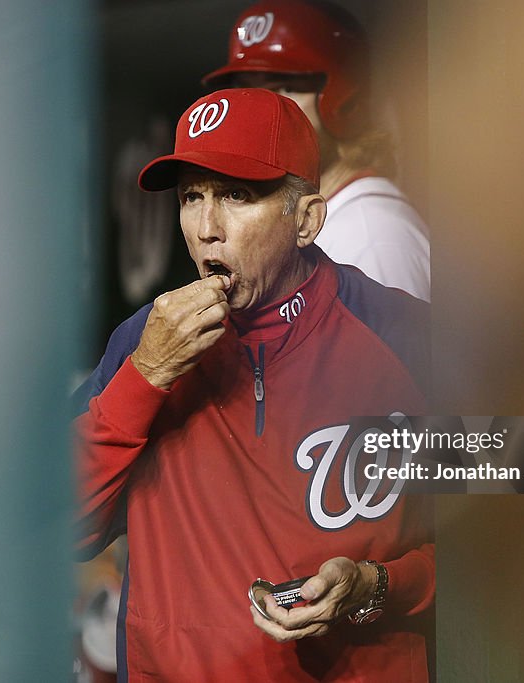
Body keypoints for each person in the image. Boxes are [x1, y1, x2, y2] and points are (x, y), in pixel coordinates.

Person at [74, 88, 434, 682]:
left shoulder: (399, 338)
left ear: (307, 219)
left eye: (238, 196)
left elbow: (505, 539)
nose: (207, 228)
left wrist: (379, 585)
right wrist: (146, 378)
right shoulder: (147, 341)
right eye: (193, 197)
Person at [202, 0, 431, 302]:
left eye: (285, 88)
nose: (262, 110)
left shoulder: (372, 238)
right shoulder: (317, 219)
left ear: (345, 100)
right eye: (247, 89)